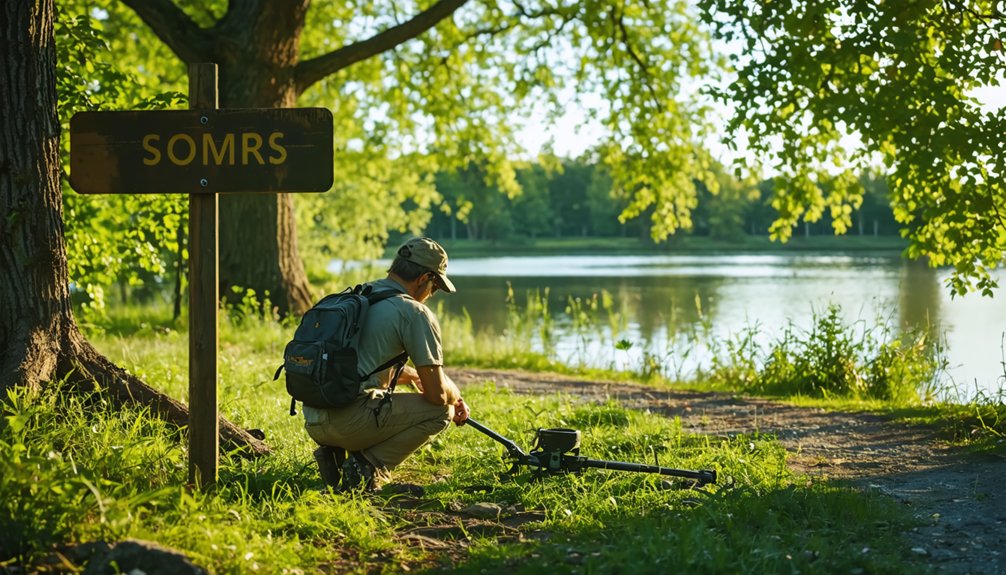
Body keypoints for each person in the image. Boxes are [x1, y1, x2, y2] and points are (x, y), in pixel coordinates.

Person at [303, 237, 470, 493]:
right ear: (425, 278)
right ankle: (364, 468)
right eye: (435, 287)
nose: (431, 295)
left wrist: (414, 376)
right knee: (442, 411)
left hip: (314, 419)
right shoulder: (413, 312)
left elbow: (361, 365)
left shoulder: (361, 295)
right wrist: (456, 396)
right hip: (347, 424)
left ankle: (336, 454)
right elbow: (437, 396)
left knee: (378, 394)